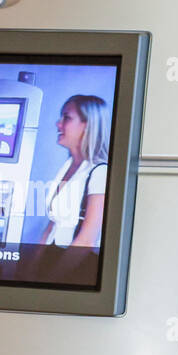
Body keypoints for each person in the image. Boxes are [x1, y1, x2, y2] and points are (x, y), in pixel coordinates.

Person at [39, 95, 110, 254]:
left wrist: (55, 276)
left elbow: (86, 241)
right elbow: (52, 223)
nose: (58, 124)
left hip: (74, 263)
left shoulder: (99, 172)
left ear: (88, 125)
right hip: (51, 256)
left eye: (67, 118)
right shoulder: (67, 166)